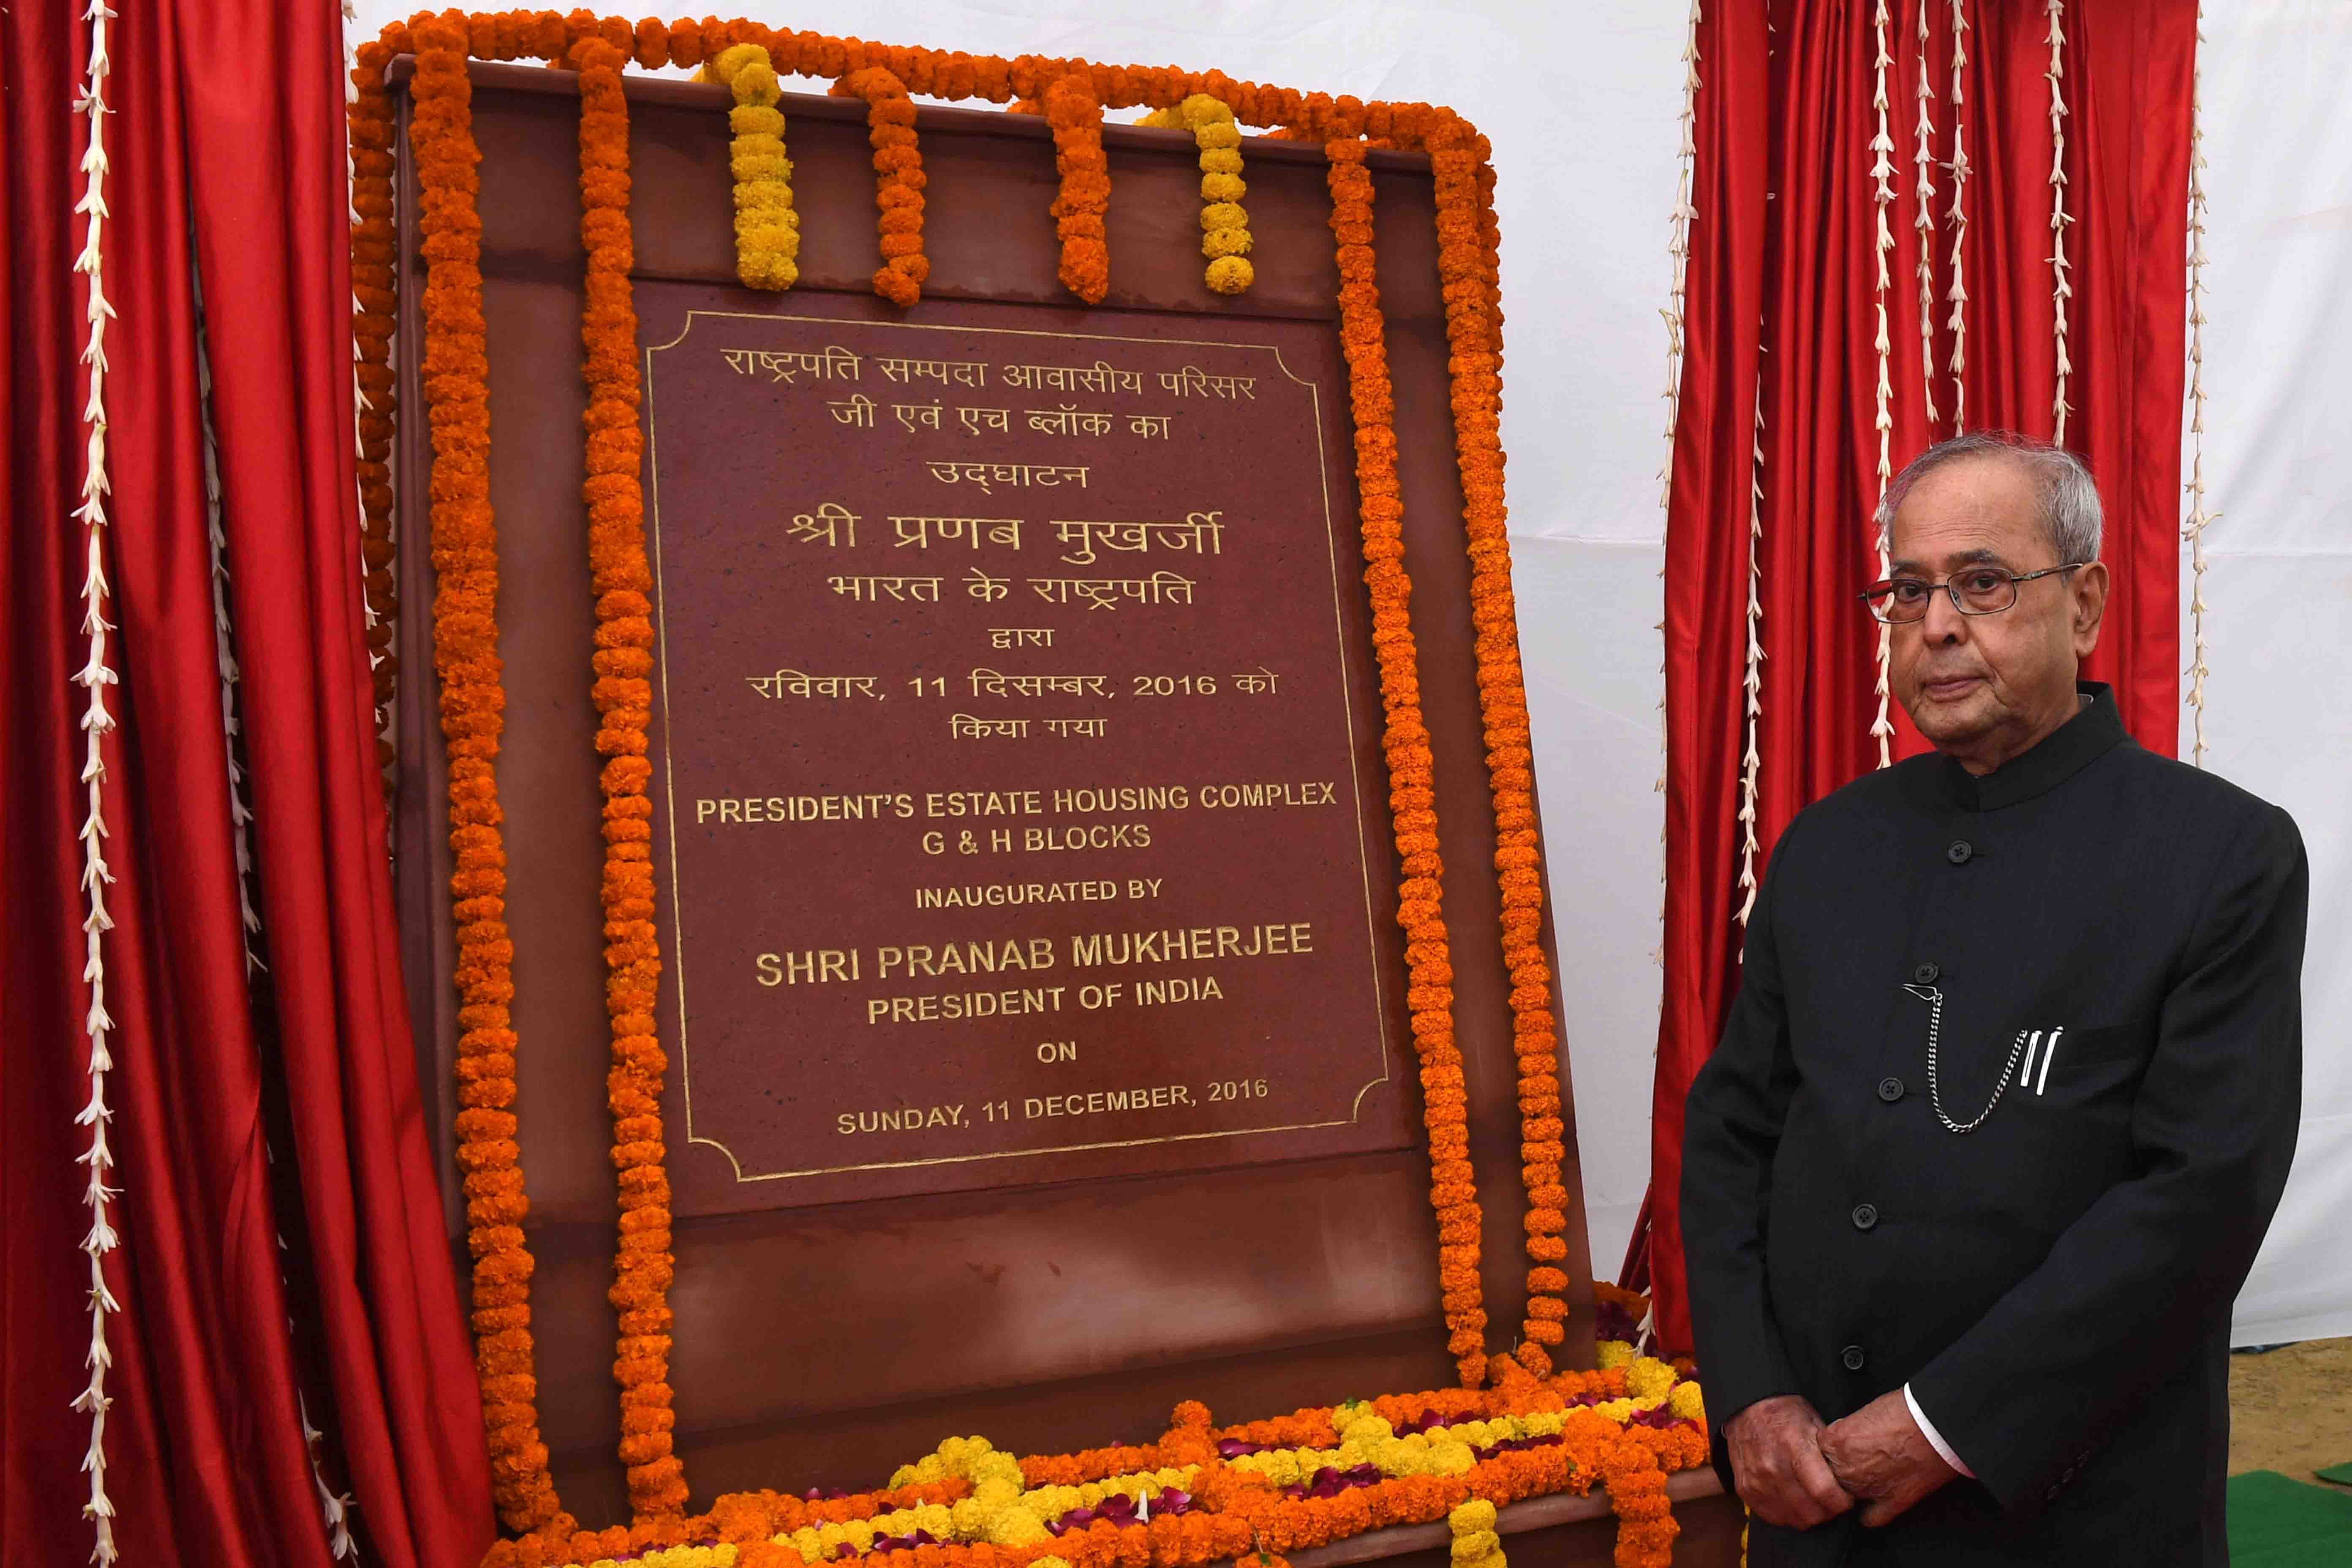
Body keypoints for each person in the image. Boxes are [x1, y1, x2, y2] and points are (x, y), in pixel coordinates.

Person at [1679, 430, 2307, 1565]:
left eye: (1982, 583)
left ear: (2084, 605)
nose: (1936, 626)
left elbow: (2200, 1197)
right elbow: (1733, 1136)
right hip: (1816, 1502)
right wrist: (1753, 1394)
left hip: (2071, 1506)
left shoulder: (2221, 855)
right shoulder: (1827, 848)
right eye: (1908, 591)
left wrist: (1941, 1423)